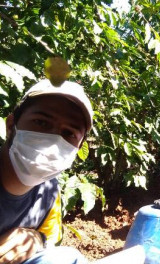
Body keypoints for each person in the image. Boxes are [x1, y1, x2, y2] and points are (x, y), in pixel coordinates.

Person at [0, 78, 93, 264]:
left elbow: (48, 242)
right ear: (11, 125)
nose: (52, 140)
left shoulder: (50, 191)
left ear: (78, 147)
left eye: (69, 134)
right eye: (41, 123)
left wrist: (37, 239)